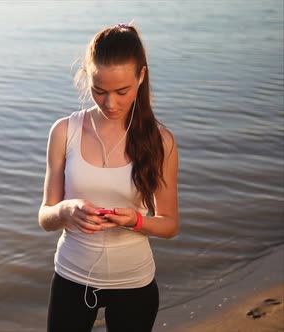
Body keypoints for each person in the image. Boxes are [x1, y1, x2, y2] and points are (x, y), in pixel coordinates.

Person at [38, 23, 179, 332]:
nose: (110, 103)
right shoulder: (64, 131)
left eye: (122, 91)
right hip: (71, 278)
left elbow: (169, 225)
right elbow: (45, 218)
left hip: (134, 283)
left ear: (141, 77)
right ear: (88, 78)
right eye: (99, 91)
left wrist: (135, 221)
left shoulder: (160, 141)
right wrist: (66, 210)